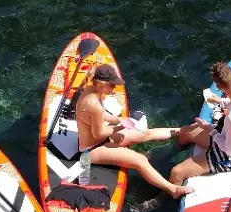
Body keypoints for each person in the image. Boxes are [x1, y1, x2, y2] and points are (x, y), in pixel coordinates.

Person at [73, 64, 193, 199]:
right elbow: (98, 133)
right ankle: (173, 189)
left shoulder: (92, 91)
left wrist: (122, 120)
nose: (114, 88)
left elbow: (103, 117)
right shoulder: (93, 105)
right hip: (91, 149)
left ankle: (181, 131)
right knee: (140, 161)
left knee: (145, 133)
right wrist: (122, 126)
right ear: (101, 84)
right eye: (112, 85)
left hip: (101, 139)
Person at [170, 62, 231, 185]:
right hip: (229, 137)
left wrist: (210, 130)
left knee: (177, 172)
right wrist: (219, 101)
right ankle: (173, 153)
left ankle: (166, 196)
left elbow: (230, 152)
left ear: (219, 87)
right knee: (187, 132)